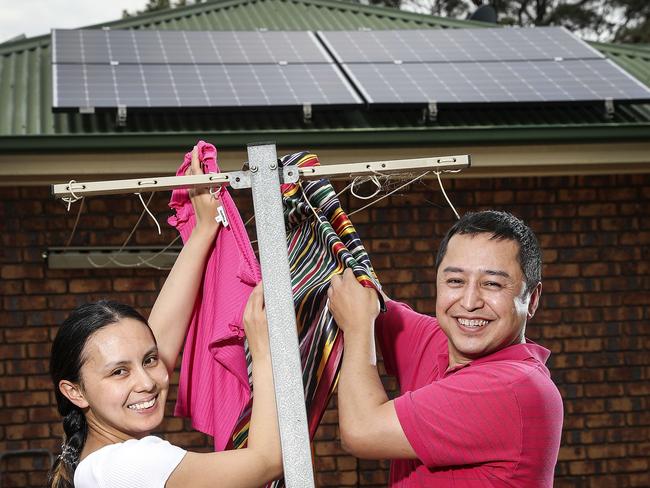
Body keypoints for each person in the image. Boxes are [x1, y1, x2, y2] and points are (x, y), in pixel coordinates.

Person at [48, 148, 282, 488]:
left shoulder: (94, 463)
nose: (147, 382)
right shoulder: (130, 464)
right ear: (75, 391)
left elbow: (156, 341)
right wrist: (264, 351)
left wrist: (204, 231)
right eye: (119, 371)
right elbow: (267, 462)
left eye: (149, 361)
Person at [328, 210, 563, 487]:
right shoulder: (439, 340)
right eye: (455, 281)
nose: (470, 301)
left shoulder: (515, 387)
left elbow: (361, 431)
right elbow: (368, 299)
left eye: (492, 284)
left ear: (532, 300)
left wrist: (356, 328)